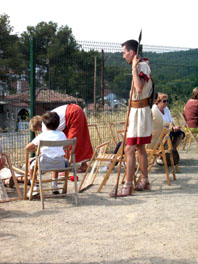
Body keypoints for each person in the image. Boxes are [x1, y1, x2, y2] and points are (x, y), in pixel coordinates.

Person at [111, 39, 153, 197]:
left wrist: (134, 69)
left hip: (140, 111)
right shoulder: (142, 65)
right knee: (140, 148)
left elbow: (138, 87)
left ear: (131, 52)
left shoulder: (141, 66)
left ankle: (128, 186)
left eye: (124, 53)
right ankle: (145, 181)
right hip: (138, 111)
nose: (123, 57)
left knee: (129, 148)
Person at [30, 104, 93, 173]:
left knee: (69, 144)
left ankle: (65, 169)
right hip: (75, 110)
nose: (39, 131)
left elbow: (52, 144)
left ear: (38, 127)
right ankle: (84, 165)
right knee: (78, 140)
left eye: (38, 130)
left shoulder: (45, 127)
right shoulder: (48, 118)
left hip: (73, 114)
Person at [26, 111, 68, 197]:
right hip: (60, 164)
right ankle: (54, 185)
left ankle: (34, 187)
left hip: (44, 163)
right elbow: (64, 147)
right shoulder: (62, 134)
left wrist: (36, 148)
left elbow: (27, 148)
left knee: (30, 162)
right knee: (56, 156)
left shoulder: (42, 136)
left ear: (44, 124)